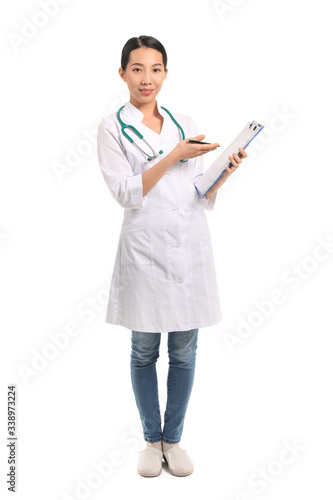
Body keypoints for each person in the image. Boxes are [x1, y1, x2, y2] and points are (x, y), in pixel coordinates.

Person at [97, 35, 247, 478]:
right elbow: (126, 192)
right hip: (144, 250)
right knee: (144, 350)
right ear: (122, 73)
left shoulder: (184, 122)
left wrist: (222, 173)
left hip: (189, 248)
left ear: (166, 73)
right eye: (138, 69)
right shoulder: (113, 127)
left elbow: (196, 194)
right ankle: (150, 439)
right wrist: (174, 156)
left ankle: (174, 439)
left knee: (184, 351)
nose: (148, 79)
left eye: (156, 69)